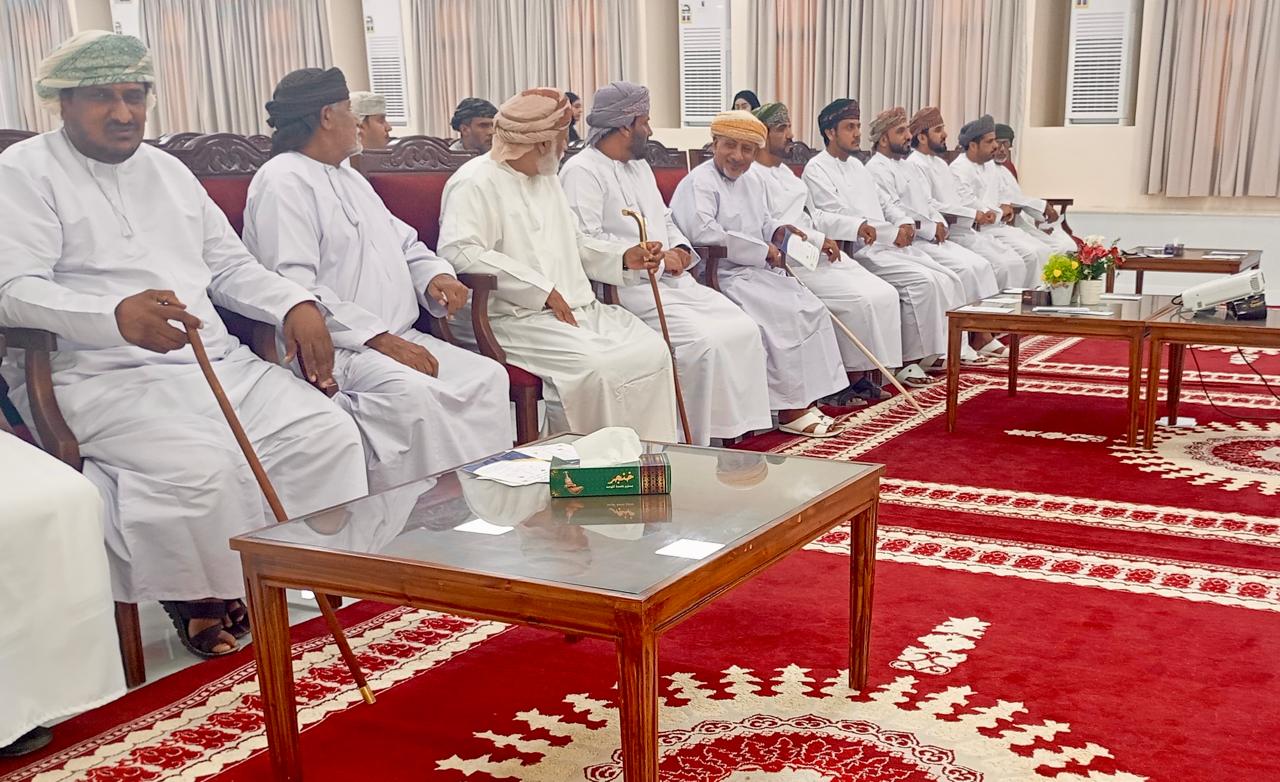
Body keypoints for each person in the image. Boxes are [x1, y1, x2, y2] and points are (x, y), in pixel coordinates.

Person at [0, 32, 368, 659]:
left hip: (216, 363)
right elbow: (12, 292)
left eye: (134, 95)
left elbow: (229, 266)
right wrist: (112, 316)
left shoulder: (168, 170)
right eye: (102, 97)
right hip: (98, 374)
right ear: (62, 102)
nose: (123, 112)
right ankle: (200, 593)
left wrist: (293, 303)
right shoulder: (21, 173)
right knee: (203, 469)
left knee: (325, 434)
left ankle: (303, 569)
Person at [244, 67, 513, 488]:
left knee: (488, 378)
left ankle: (484, 500)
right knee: (412, 395)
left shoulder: (350, 177)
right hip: (340, 350)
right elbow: (294, 288)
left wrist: (435, 276)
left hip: (398, 338)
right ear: (327, 116)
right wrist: (379, 340)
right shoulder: (282, 181)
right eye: (349, 110)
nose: (357, 121)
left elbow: (404, 243)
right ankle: (419, 511)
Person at [437, 88, 679, 441]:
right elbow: (460, 252)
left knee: (652, 351)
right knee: (598, 367)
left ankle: (646, 458)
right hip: (510, 317)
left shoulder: (545, 176)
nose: (567, 145)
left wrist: (623, 256)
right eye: (562, 137)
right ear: (540, 144)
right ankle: (586, 464)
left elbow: (574, 241)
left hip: (573, 310)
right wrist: (541, 290)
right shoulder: (474, 181)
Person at [560, 81, 771, 444]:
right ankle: (695, 440)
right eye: (645, 121)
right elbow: (585, 243)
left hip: (674, 281)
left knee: (744, 327)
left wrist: (682, 249)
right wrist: (655, 260)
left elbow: (666, 218)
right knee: (704, 341)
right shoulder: (582, 171)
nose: (650, 129)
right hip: (627, 290)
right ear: (625, 125)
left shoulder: (639, 167)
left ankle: (733, 433)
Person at [670, 110, 847, 438]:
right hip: (718, 275)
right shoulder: (698, 182)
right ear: (714, 143)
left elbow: (765, 221)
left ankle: (803, 399)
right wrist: (760, 249)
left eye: (747, 149)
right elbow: (703, 234)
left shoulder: (752, 180)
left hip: (754, 271)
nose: (737, 156)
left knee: (809, 306)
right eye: (730, 146)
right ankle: (790, 409)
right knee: (783, 315)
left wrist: (781, 232)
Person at [803, 99, 974, 386]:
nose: (857, 133)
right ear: (830, 132)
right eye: (849, 127)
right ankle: (906, 360)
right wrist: (889, 232)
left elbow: (886, 203)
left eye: (858, 126)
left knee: (945, 277)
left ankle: (933, 353)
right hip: (860, 249)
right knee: (922, 282)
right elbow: (838, 215)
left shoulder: (858, 166)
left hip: (888, 244)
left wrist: (902, 222)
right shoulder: (817, 168)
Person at [749, 102, 902, 404]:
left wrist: (828, 236)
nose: (791, 135)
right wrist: (813, 241)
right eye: (782, 129)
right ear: (762, 135)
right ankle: (841, 383)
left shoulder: (786, 174)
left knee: (884, 293)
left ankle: (862, 375)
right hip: (789, 260)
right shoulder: (752, 176)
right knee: (857, 300)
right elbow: (770, 230)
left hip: (815, 252)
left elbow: (812, 216)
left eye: (788, 127)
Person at [905, 106, 1030, 311]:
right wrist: (973, 214)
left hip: (964, 229)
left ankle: (1005, 318)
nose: (945, 134)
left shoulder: (939, 163)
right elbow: (929, 205)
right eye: (938, 130)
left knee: (1011, 261)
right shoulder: (914, 164)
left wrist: (978, 214)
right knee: (988, 266)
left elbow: (956, 201)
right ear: (922, 137)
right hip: (940, 234)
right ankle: (982, 324)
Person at [948, 114, 1052, 285]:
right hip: (976, 230)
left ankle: (1035, 298)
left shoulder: (989, 165)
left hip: (998, 226)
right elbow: (969, 203)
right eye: (990, 142)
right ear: (973, 145)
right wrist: (999, 212)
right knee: (1019, 260)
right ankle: (1012, 300)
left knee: (1042, 250)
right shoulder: (958, 169)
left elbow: (1004, 193)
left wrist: (1005, 207)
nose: (996, 146)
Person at [992, 122, 1076, 254]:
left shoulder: (1004, 170)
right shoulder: (986, 170)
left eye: (1006, 144)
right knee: (1056, 249)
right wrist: (1042, 207)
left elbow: (1018, 198)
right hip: (1008, 224)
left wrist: (1040, 220)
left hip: (1027, 221)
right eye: (998, 143)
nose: (1002, 149)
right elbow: (1007, 200)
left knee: (1068, 246)